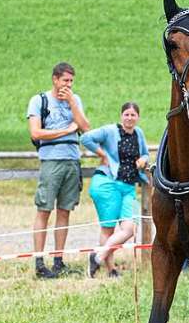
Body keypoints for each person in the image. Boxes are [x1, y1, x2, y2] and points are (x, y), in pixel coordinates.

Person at [27, 62, 90, 279]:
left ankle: (58, 260)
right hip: (50, 160)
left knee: (65, 211)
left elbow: (85, 127)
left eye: (71, 81)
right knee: (44, 210)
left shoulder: (76, 99)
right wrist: (65, 131)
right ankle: (39, 261)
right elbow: (36, 133)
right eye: (65, 80)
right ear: (55, 79)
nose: (68, 85)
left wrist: (72, 102)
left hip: (72, 160)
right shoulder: (39, 101)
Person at [81, 102, 150, 278]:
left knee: (130, 228)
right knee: (108, 228)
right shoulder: (110, 130)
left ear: (138, 117)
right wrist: (102, 154)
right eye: (126, 114)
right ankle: (110, 269)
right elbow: (85, 138)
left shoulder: (138, 133)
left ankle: (96, 257)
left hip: (129, 188)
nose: (129, 118)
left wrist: (143, 159)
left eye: (133, 115)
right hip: (107, 184)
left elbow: (145, 154)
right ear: (121, 116)